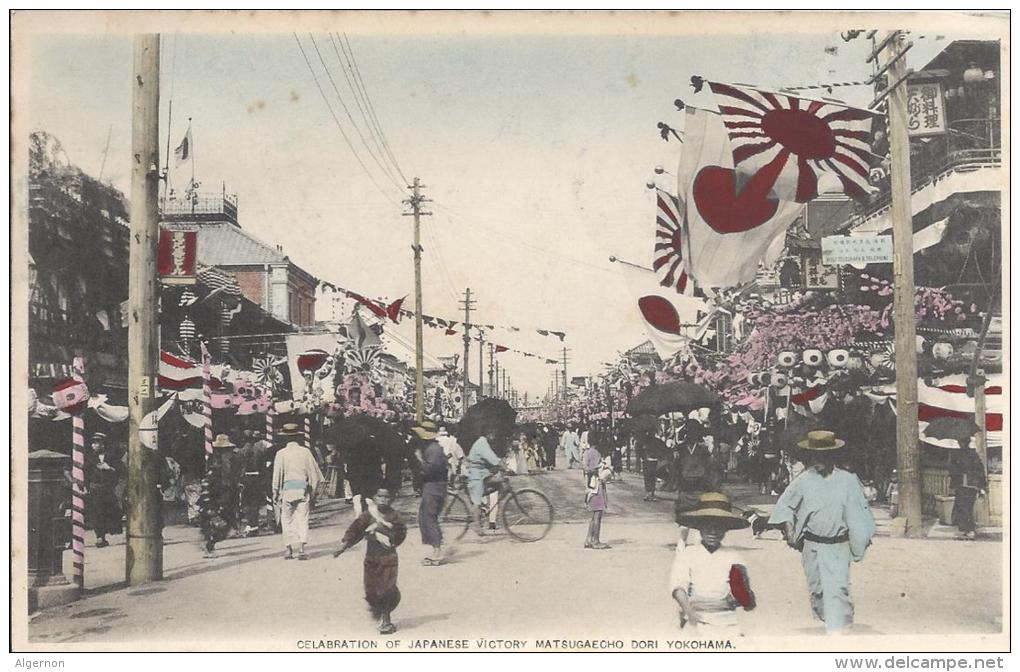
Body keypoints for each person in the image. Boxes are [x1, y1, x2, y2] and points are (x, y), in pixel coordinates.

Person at [768, 430, 876, 635]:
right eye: (813, 456)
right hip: (812, 545)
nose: (816, 460)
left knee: (838, 589)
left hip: (839, 544)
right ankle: (832, 619)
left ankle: (840, 629)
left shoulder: (848, 479)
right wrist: (789, 530)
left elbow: (860, 510)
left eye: (822, 456)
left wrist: (862, 533)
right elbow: (785, 505)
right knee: (818, 590)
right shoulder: (803, 480)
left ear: (832, 456)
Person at [671, 493, 756, 635]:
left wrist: (740, 597)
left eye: (719, 527)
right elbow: (678, 586)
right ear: (699, 528)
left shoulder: (733, 557)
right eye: (707, 527)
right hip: (695, 618)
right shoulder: (688, 554)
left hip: (727, 621)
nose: (713, 532)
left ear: (726, 529)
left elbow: (744, 596)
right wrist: (689, 611)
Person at [334, 488, 407, 635]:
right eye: (379, 496)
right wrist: (345, 545)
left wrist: (386, 534)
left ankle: (386, 619)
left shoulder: (395, 516)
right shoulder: (367, 515)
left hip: (388, 558)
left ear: (391, 499)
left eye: (386, 496)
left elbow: (401, 533)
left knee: (387, 589)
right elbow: (356, 529)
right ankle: (378, 608)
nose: (383, 499)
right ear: (374, 498)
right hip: (371, 558)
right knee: (371, 591)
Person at [272, 423, 324, 560]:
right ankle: (302, 548)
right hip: (302, 489)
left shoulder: (281, 454)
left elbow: (276, 476)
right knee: (303, 518)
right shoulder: (305, 452)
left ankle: (288, 548)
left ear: (284, 438)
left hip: (287, 490)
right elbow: (314, 474)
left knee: (286, 519)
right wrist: (313, 492)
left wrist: (275, 492)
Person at [413, 420, 448, 565]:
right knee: (426, 516)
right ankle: (436, 546)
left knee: (429, 516)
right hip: (433, 486)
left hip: (434, 486)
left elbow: (430, 469)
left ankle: (437, 551)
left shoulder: (433, 449)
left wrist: (420, 459)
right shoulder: (434, 447)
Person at [199, 434, 236, 558]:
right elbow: (222, 481)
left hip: (217, 494)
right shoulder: (221, 462)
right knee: (222, 523)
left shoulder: (216, 460)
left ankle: (209, 544)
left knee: (221, 522)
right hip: (217, 495)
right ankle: (209, 545)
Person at [86, 433, 122, 548]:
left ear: (103, 444)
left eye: (97, 442)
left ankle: (108, 531)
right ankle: (100, 537)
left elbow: (122, 471)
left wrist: (109, 468)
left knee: (112, 511)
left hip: (108, 489)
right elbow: (85, 471)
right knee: (97, 513)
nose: (94, 445)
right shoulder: (89, 457)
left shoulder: (112, 457)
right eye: (93, 443)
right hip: (95, 489)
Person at [466, 428, 504, 535]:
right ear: (488, 433)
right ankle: (477, 525)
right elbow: (492, 458)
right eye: (492, 433)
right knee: (477, 500)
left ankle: (485, 508)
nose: (494, 436)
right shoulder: (482, 443)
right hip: (476, 473)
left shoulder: (483, 442)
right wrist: (501, 465)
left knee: (497, 484)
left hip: (483, 472)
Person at [950, 440, 987, 540]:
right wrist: (982, 486)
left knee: (963, 508)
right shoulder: (974, 455)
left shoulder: (958, 455)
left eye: (960, 442)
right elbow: (980, 470)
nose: (960, 444)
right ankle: (968, 530)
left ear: (961, 443)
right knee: (968, 508)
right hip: (973, 485)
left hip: (963, 485)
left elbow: (953, 471)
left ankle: (969, 530)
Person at [582, 440, 612, 549]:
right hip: (597, 485)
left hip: (590, 486)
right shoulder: (597, 453)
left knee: (594, 515)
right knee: (598, 514)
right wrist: (603, 467)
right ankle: (595, 540)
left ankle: (588, 539)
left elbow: (585, 468)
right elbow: (593, 469)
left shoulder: (587, 452)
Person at [238, 430, 268, 536]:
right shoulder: (259, 451)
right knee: (255, 503)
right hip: (257, 478)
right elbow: (263, 467)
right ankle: (254, 525)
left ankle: (251, 525)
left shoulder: (241, 452)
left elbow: (239, 467)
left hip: (245, 478)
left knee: (246, 504)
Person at [636, 430, 668, 502]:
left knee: (650, 477)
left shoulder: (656, 441)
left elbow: (664, 449)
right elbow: (639, 450)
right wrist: (642, 457)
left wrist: (659, 457)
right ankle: (649, 493)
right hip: (647, 460)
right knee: (648, 477)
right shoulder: (644, 441)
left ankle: (650, 494)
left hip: (653, 461)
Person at [436, 425, 464, 489]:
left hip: (440, 458)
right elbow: (457, 450)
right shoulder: (452, 440)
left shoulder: (436, 440)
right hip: (450, 457)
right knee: (451, 470)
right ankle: (450, 484)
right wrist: (460, 457)